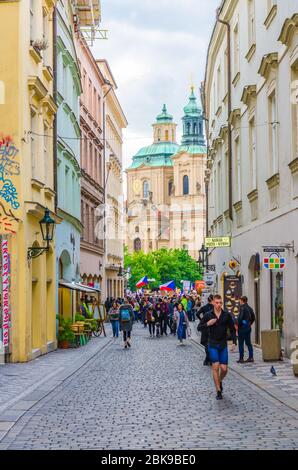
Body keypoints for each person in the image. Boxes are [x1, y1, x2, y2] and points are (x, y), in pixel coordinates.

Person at [198, 294, 237, 400]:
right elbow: (199, 327)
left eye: (220, 303)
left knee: (224, 369)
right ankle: (218, 391)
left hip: (223, 344)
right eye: (217, 302)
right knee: (216, 366)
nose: (219, 304)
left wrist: (234, 342)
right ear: (213, 303)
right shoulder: (208, 315)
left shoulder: (226, 315)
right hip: (212, 344)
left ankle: (219, 381)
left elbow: (232, 329)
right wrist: (208, 324)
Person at [237, 296, 255, 363]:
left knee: (241, 343)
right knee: (248, 343)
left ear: (242, 301)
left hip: (242, 328)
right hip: (248, 328)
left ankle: (241, 358)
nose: (239, 302)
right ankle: (251, 357)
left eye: (240, 300)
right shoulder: (250, 308)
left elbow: (240, 318)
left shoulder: (242, 308)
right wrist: (249, 324)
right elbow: (253, 317)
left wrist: (238, 325)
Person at [197, 295, 214, 366]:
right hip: (212, 328)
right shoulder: (214, 308)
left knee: (207, 344)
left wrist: (201, 320)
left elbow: (197, 314)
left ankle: (207, 359)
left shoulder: (204, 307)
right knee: (209, 344)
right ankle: (208, 359)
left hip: (205, 328)